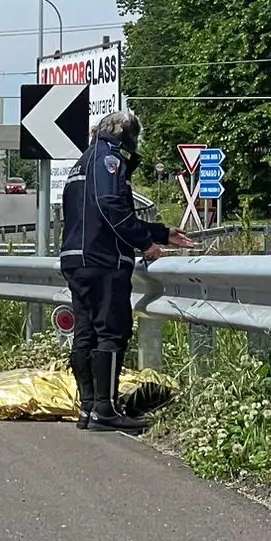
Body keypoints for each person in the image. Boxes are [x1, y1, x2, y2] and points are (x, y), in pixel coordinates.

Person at [60, 109, 193, 433]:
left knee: (86, 333)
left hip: (76, 258)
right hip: (103, 259)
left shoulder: (83, 162)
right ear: (126, 136)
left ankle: (89, 407)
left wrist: (160, 232)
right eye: (135, 139)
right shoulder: (110, 160)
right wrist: (145, 244)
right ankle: (105, 410)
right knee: (112, 332)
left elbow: (96, 211)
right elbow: (112, 207)